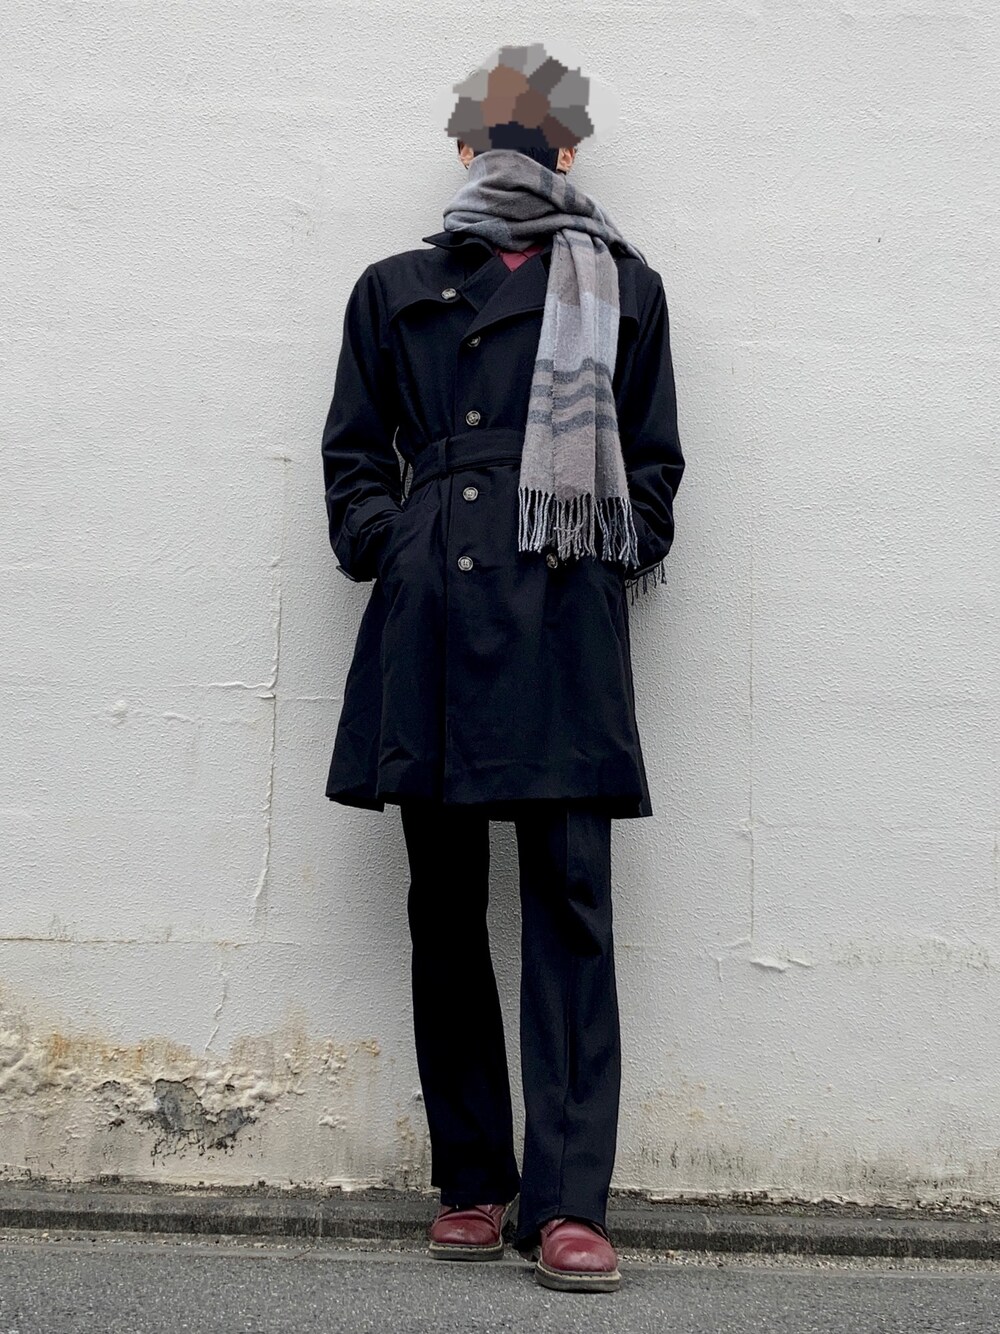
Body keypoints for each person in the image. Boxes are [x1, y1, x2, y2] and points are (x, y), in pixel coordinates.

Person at [321, 45, 685, 1294]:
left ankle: (568, 1200)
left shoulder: (625, 288)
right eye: (495, 132)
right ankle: (473, 1175)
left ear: (568, 149)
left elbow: (652, 461)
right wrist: (397, 542)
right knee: (443, 900)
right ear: (464, 147)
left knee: (571, 901)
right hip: (435, 612)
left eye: (534, 133)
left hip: (562, 614)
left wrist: (605, 551)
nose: (514, 150)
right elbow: (353, 455)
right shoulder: (394, 286)